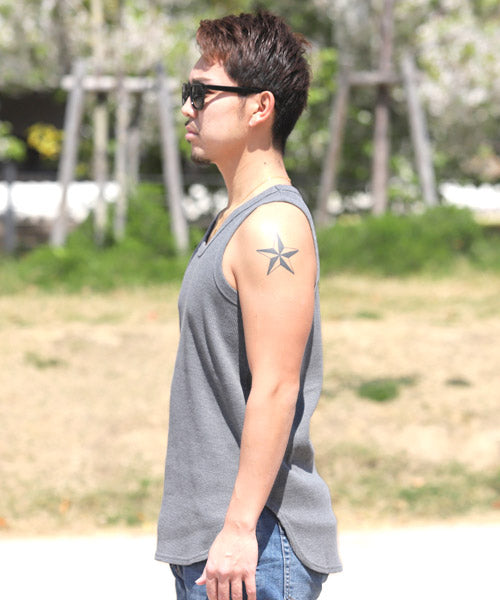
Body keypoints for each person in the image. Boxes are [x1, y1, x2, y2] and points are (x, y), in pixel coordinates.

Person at [155, 10, 342, 600]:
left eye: (201, 93)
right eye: (186, 92)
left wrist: (238, 529)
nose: (187, 108)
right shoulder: (233, 220)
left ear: (260, 107)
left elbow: (277, 387)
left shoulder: (271, 225)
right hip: (220, 542)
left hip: (255, 546)